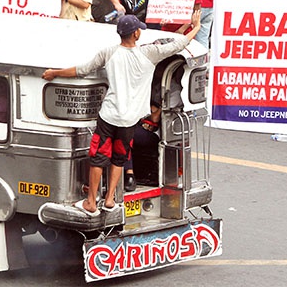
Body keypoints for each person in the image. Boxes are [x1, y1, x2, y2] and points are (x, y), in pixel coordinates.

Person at [41, 13, 201, 217]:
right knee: (120, 157)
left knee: (98, 157)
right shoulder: (149, 53)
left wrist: (54, 73)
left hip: (108, 116)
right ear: (136, 34)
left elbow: (81, 70)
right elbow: (177, 46)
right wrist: (195, 27)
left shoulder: (109, 53)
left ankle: (91, 202)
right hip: (130, 120)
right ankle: (110, 200)